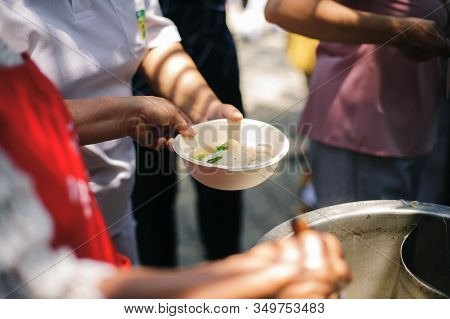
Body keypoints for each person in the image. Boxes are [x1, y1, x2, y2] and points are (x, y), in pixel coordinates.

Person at [0, 41, 351, 298]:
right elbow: (49, 292)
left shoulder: (15, 66)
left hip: (107, 208)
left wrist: (201, 107)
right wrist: (257, 277)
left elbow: (151, 37)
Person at [0, 0, 242, 263]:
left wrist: (207, 108)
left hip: (117, 204)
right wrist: (125, 116)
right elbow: (12, 117)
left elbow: (150, 39)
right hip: (35, 227)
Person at [265, 0, 450, 207]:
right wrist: (400, 30)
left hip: (419, 126)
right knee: (355, 236)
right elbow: (285, 9)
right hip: (361, 131)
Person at [132, 0, 245, 267]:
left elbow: (151, 31)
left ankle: (226, 274)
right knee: (149, 189)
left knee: (223, 178)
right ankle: (159, 287)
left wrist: (207, 106)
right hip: (136, 80)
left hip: (211, 53)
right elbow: (143, 30)